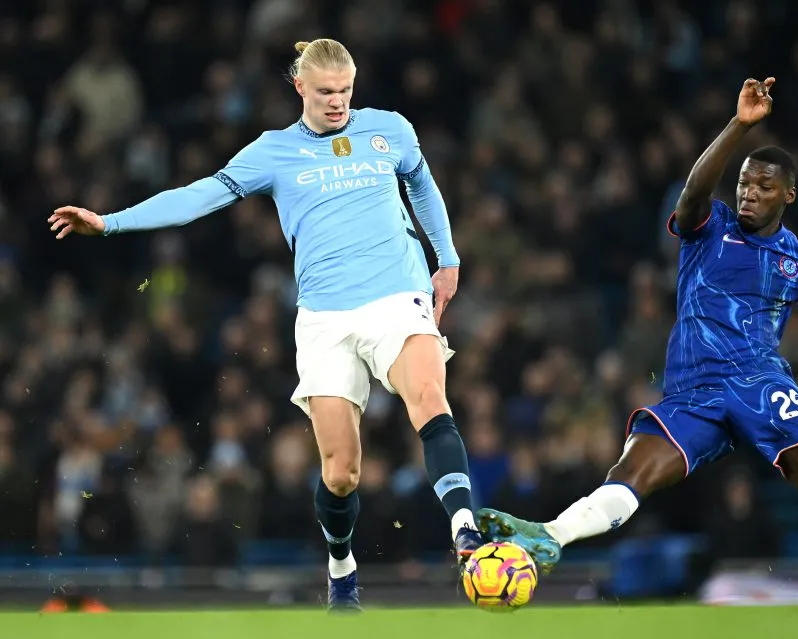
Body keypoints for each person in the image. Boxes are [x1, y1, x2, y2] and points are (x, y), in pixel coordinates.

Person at [48, 38, 483, 612]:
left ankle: (466, 534)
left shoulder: (390, 130)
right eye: (326, 92)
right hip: (325, 317)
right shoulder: (272, 152)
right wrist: (110, 223)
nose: (337, 103)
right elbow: (199, 196)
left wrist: (446, 260)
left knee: (429, 397)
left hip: (396, 295)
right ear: (299, 87)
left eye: (346, 91)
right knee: (342, 472)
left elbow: (422, 186)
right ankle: (341, 569)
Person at [477, 77, 798, 609]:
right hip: (694, 391)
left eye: (762, 185)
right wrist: (738, 126)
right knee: (630, 474)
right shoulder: (708, 226)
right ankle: (549, 536)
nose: (748, 193)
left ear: (788, 194)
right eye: (743, 182)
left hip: (762, 384)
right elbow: (693, 192)